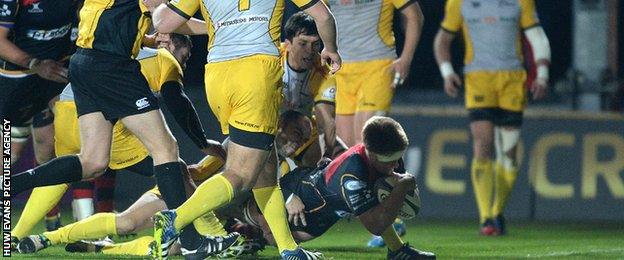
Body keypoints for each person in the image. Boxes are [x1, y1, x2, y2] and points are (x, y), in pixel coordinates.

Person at [147, 0, 341, 258]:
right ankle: (175, 219)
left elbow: (164, 23)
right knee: (241, 176)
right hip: (255, 73)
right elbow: (324, 16)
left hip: (217, 76)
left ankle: (288, 248)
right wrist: (331, 48)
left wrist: (155, 8)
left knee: (266, 170)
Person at [12, 33, 237, 253]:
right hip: (98, 107)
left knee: (75, 168)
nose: (184, 65)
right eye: (185, 57)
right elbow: (177, 99)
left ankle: (14, 226)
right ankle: (211, 234)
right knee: (173, 166)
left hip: (70, 106)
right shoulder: (165, 58)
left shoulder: (128, 45)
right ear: (170, 45)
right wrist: (203, 143)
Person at [233, 116, 436, 259]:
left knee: (284, 235)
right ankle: (228, 229)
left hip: (320, 209)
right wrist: (401, 188)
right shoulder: (352, 174)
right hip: (299, 194)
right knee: (259, 222)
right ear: (372, 154)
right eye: (391, 160)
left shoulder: (384, 157)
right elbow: (375, 225)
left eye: (398, 157)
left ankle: (397, 251)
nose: (396, 164)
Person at [433, 0, 551, 235]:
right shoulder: (459, 3)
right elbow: (442, 40)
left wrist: (542, 75)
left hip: (512, 81)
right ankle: (487, 217)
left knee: (508, 153)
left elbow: (537, 36)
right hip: (478, 80)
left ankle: (497, 210)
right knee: (483, 142)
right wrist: (447, 73)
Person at [0, 0, 79, 231]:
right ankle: (6, 226)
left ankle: (59, 221)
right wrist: (34, 63)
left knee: (57, 147)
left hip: (56, 74)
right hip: (17, 78)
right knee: (8, 154)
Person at [330, 0, 424, 148]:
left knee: (365, 143)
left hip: (377, 67)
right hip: (341, 69)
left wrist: (406, 58)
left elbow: (414, 16)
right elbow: (317, 16)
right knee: (344, 149)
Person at [280, 11, 347, 167]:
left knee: (341, 159)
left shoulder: (324, 73)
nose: (310, 51)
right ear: (288, 44)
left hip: (303, 126)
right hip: (267, 121)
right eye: (303, 44)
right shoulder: (271, 58)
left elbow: (328, 121)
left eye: (315, 44)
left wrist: (327, 156)